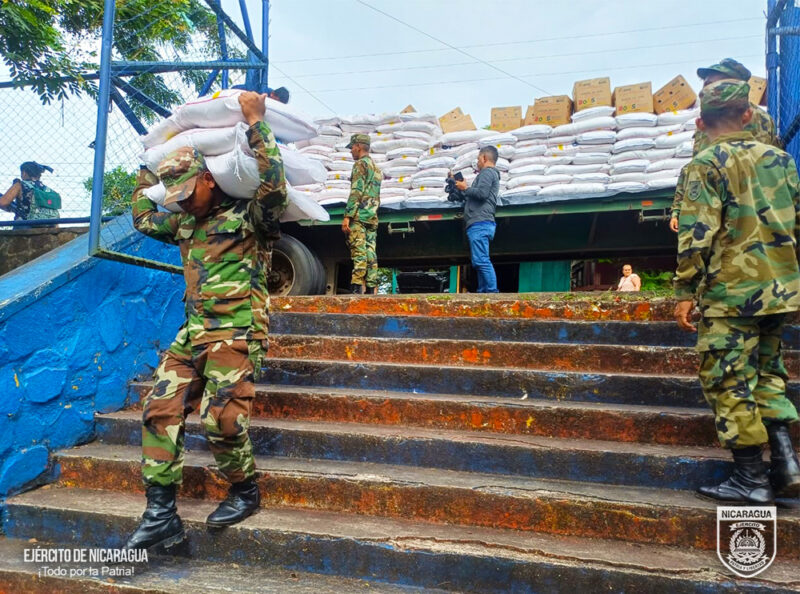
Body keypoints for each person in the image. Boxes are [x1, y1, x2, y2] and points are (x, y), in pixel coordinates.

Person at [124, 91, 288, 550]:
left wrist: (255, 122)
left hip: (237, 330)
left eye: (187, 193)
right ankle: (161, 515)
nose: (183, 203)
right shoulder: (183, 224)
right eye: (174, 196)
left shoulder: (249, 215)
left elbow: (275, 188)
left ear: (209, 179)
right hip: (193, 332)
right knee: (158, 410)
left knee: (222, 422)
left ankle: (245, 490)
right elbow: (142, 217)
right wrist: (146, 164)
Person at [674, 79, 800, 504]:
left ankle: (750, 477)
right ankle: (785, 464)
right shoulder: (782, 161)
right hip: (780, 288)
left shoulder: (705, 164)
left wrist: (685, 289)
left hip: (731, 292)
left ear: (700, 122)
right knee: (767, 373)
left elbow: (696, 234)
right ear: (748, 115)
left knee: (728, 377)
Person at [669, 58, 780, 232]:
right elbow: (695, 166)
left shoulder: (757, 119)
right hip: (708, 205)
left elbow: (761, 172)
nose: (704, 89)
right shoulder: (709, 118)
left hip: (741, 213)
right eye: (705, 84)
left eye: (711, 83)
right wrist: (679, 207)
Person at [452, 146, 501, 293]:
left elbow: (482, 193)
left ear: (484, 158)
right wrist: (463, 188)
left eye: (479, 158)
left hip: (480, 222)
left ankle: (492, 292)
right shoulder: (489, 174)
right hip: (480, 222)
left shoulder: (487, 172)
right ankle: (483, 291)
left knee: (481, 260)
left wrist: (465, 188)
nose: (477, 162)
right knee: (478, 261)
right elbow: (478, 194)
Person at [342, 133, 382, 294]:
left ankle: (357, 286)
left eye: (352, 147)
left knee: (358, 251)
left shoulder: (360, 164)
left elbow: (356, 191)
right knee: (371, 252)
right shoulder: (376, 168)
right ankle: (371, 288)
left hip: (359, 215)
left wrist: (348, 216)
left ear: (358, 146)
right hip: (372, 215)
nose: (351, 150)